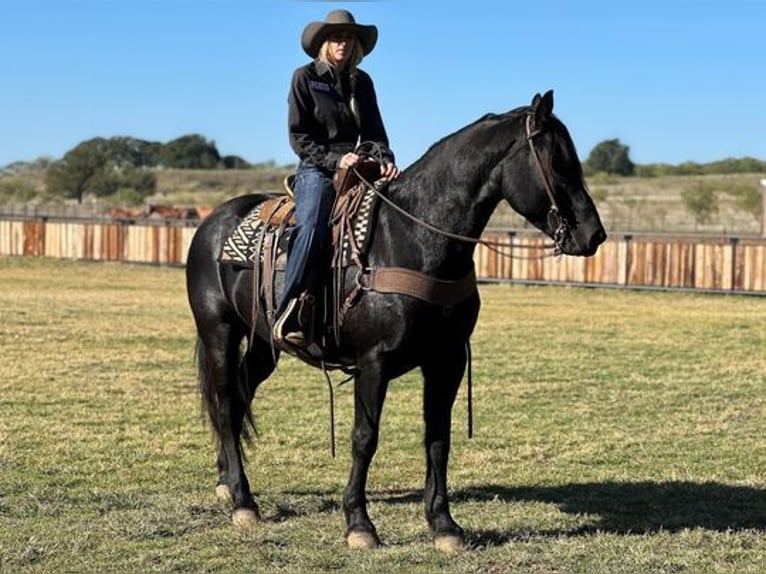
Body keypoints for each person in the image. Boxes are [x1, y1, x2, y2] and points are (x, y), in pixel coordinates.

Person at [273, 9, 400, 347]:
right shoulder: (305, 77)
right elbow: (299, 137)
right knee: (313, 225)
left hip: (358, 167)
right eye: (337, 37)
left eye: (349, 38)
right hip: (317, 168)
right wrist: (333, 159)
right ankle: (291, 309)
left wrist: (384, 158)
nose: (344, 43)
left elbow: (374, 131)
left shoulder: (362, 82)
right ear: (324, 43)